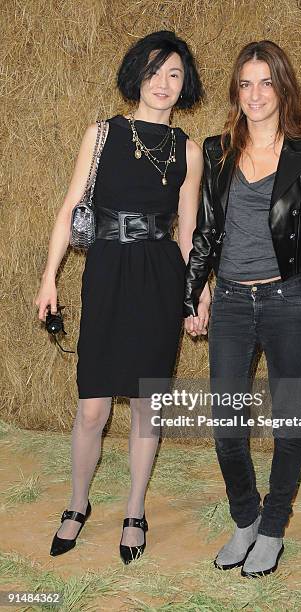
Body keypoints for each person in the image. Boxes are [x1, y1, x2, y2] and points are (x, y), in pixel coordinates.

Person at [34, 30, 204, 564]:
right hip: (106, 272)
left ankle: (135, 509)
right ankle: (77, 503)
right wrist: (49, 277)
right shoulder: (103, 133)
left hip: (161, 277)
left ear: (185, 85)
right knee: (92, 407)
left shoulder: (189, 150)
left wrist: (195, 296)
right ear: (137, 75)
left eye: (174, 73)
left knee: (149, 405)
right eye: (154, 71)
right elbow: (68, 211)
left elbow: (190, 233)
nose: (163, 82)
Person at [184, 40, 301, 577]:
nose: (255, 94)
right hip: (228, 300)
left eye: (265, 82)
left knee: (288, 423)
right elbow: (205, 232)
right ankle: (245, 518)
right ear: (237, 92)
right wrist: (191, 295)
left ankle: (273, 529)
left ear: (282, 88)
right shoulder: (217, 150)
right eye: (245, 84)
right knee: (227, 425)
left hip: (289, 301)